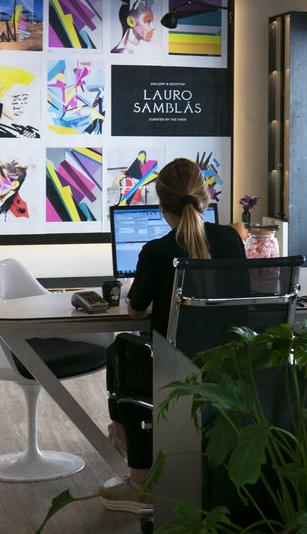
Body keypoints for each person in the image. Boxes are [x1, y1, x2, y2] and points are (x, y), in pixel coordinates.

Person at [100, 158, 245, 514]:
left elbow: (135, 312)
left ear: (162, 207)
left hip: (175, 371)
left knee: (123, 350)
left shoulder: (155, 251)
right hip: (231, 366)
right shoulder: (231, 239)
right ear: (205, 198)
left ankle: (139, 481)